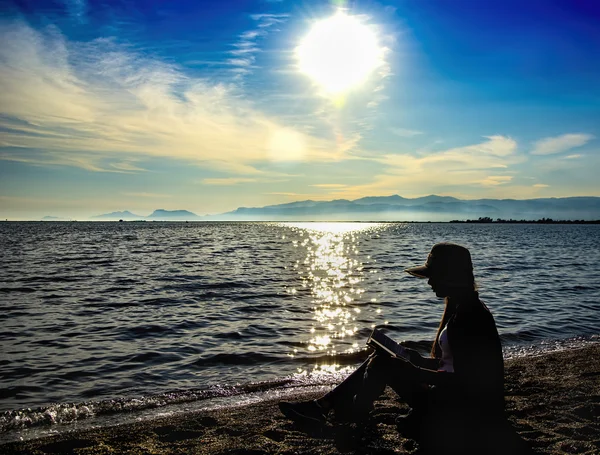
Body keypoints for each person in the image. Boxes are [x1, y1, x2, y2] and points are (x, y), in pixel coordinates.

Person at [279, 242, 505, 443]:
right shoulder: (463, 309)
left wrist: (414, 370)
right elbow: (451, 364)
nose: (429, 283)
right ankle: (330, 409)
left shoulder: (470, 317)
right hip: (456, 402)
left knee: (383, 364)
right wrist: (419, 361)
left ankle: (348, 418)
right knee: (382, 357)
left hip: (465, 411)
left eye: (433, 276)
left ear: (450, 276)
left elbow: (466, 381)